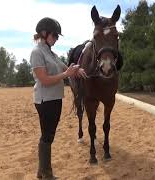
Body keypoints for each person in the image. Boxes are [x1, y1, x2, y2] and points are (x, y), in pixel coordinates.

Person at [30, 17, 87, 179]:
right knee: (47, 136)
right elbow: (45, 79)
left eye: (56, 36)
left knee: (49, 135)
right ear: (44, 33)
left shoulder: (50, 52)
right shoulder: (37, 52)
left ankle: (42, 172)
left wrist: (76, 69)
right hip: (45, 100)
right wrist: (66, 74)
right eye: (54, 35)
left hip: (54, 99)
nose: (55, 39)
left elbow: (65, 67)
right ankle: (46, 174)